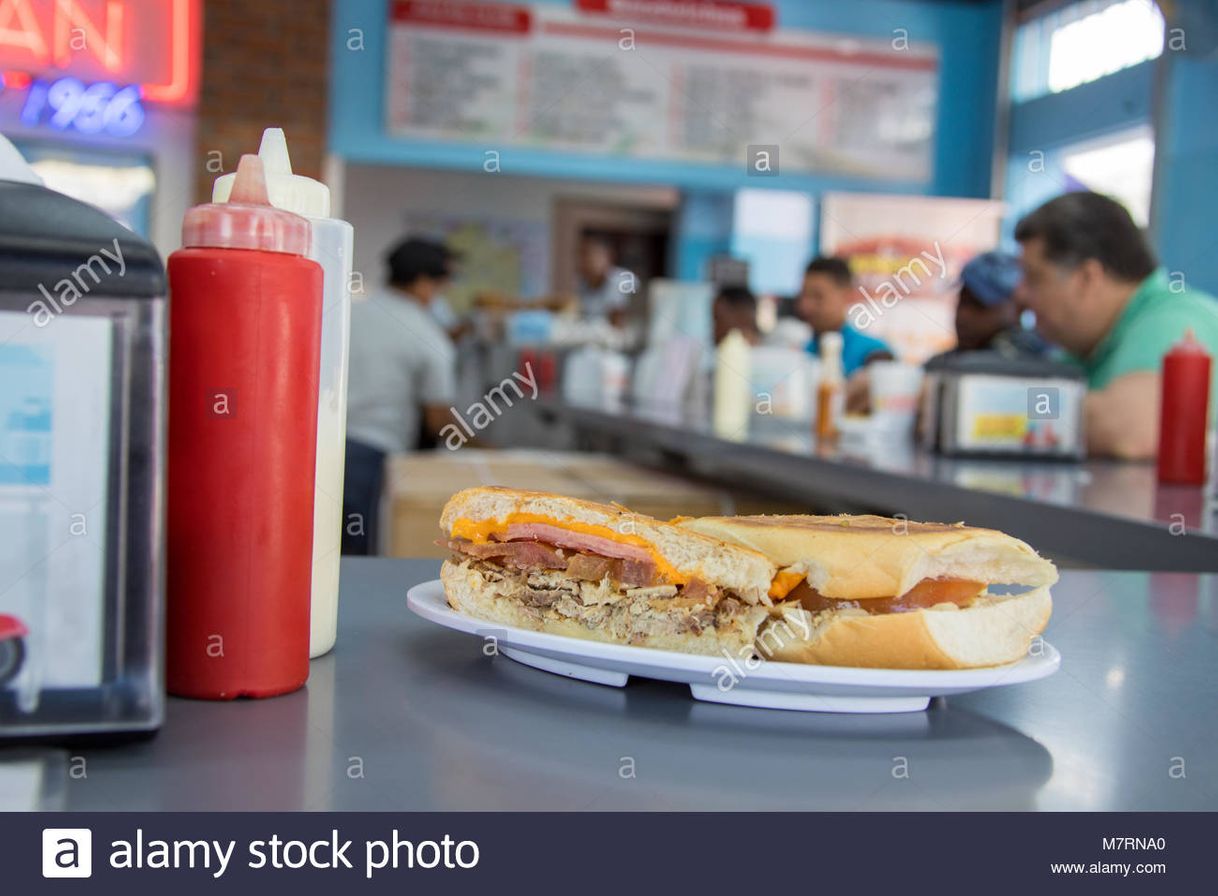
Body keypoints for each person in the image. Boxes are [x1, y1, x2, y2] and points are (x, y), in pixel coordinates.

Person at [1015, 191, 1218, 460]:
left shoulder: (1177, 319)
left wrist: (991, 404)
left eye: (1034, 278)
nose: (1020, 295)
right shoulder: (1084, 347)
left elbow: (1133, 430)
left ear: (1087, 278)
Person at [343, 238, 458, 554]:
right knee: (360, 555)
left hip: (321, 447)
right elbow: (439, 422)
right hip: (372, 455)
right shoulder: (427, 335)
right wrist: (492, 450)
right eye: (441, 287)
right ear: (423, 283)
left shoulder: (349, 314)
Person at [798, 256, 894, 412]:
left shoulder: (874, 352)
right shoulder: (802, 352)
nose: (805, 306)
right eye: (803, 295)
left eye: (818, 297)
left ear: (847, 295)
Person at [943, 251, 1051, 359]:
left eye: (979, 305)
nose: (963, 315)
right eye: (962, 302)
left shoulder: (1035, 360)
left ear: (1018, 308)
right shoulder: (946, 363)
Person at [576, 235, 636, 326]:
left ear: (608, 256)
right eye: (581, 256)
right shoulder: (583, 284)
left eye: (590, 255)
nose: (584, 261)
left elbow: (618, 325)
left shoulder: (620, 280)